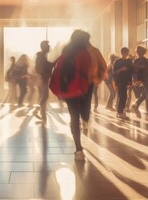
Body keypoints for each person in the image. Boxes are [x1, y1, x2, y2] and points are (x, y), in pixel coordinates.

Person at [58, 30, 93, 160]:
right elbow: (89, 71)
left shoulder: (67, 51)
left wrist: (61, 90)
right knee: (84, 114)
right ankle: (85, 119)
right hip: (85, 88)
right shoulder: (85, 53)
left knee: (74, 116)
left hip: (70, 89)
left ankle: (79, 149)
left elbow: (61, 71)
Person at [86, 35, 108, 124]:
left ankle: (86, 112)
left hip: (88, 80)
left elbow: (103, 66)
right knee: (90, 95)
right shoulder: (95, 51)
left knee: (88, 96)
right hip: (92, 79)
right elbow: (103, 66)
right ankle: (87, 111)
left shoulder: (75, 51)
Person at [131, 46, 148, 118]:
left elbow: (134, 72)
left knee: (146, 94)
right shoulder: (147, 60)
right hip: (146, 80)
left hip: (138, 81)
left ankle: (137, 105)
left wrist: (135, 81)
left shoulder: (135, 61)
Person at [35, 41, 53, 124]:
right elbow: (40, 68)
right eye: (48, 45)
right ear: (44, 47)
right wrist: (45, 75)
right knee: (45, 96)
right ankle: (38, 110)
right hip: (43, 79)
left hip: (43, 78)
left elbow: (47, 66)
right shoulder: (41, 56)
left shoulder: (42, 56)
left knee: (44, 96)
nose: (49, 47)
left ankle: (42, 115)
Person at [112, 47, 134, 119]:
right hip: (119, 81)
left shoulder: (129, 61)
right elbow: (114, 72)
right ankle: (120, 112)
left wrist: (130, 81)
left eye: (127, 53)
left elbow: (131, 71)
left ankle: (120, 111)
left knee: (123, 96)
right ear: (122, 53)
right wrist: (121, 69)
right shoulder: (117, 61)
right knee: (122, 96)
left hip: (126, 81)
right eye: (125, 53)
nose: (126, 54)